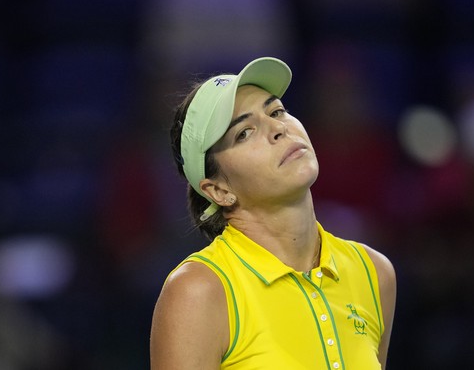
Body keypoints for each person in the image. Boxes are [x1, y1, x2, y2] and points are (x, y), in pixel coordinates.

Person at [150, 57, 397, 369]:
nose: (278, 128)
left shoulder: (374, 272)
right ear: (218, 190)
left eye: (276, 111)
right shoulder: (199, 291)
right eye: (244, 132)